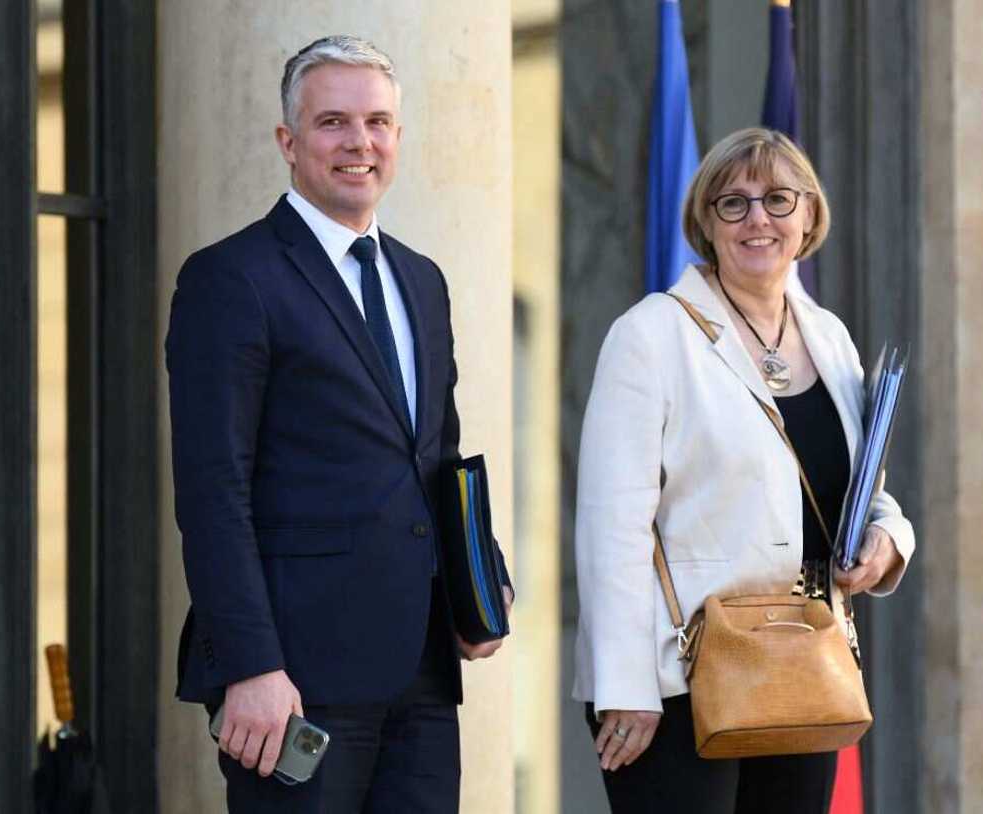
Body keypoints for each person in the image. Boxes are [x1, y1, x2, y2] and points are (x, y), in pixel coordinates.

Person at [166, 35, 512, 814]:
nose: (360, 143)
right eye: (333, 123)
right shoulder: (231, 278)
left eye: (379, 123)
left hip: (422, 673)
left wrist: (480, 588)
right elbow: (212, 490)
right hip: (294, 681)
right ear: (288, 142)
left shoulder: (422, 280)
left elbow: (439, 457)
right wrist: (252, 665)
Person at [572, 127, 915, 814]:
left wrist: (889, 540)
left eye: (778, 199)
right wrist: (624, 685)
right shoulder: (651, 335)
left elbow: (863, 493)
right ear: (706, 222)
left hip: (801, 666)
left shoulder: (830, 336)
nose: (758, 218)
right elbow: (611, 526)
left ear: (810, 215)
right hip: (678, 679)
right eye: (734, 203)